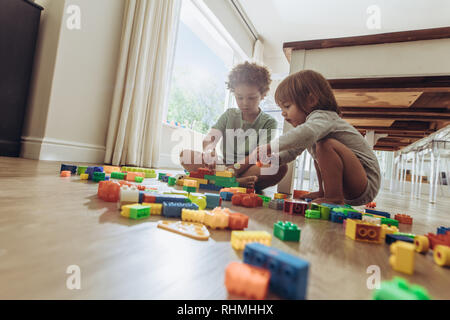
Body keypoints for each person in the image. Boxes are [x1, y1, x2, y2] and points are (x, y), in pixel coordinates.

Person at [251, 70, 381, 205]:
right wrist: (275, 159)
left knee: (325, 145)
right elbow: (292, 151)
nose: (284, 113)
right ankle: (324, 192)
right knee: (319, 152)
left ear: (311, 100)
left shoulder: (323, 117)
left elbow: (305, 133)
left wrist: (271, 146)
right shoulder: (312, 129)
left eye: (287, 106)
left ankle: (333, 198)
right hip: (352, 184)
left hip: (365, 183)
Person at [180, 62, 288, 191]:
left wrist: (235, 169)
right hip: (223, 167)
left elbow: (258, 155)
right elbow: (210, 139)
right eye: (239, 97)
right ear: (234, 93)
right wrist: (209, 151)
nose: (245, 103)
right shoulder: (229, 115)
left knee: (279, 166)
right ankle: (234, 183)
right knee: (184, 155)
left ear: (263, 94)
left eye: (252, 98)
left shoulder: (269, 122)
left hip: (249, 169)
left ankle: (218, 181)